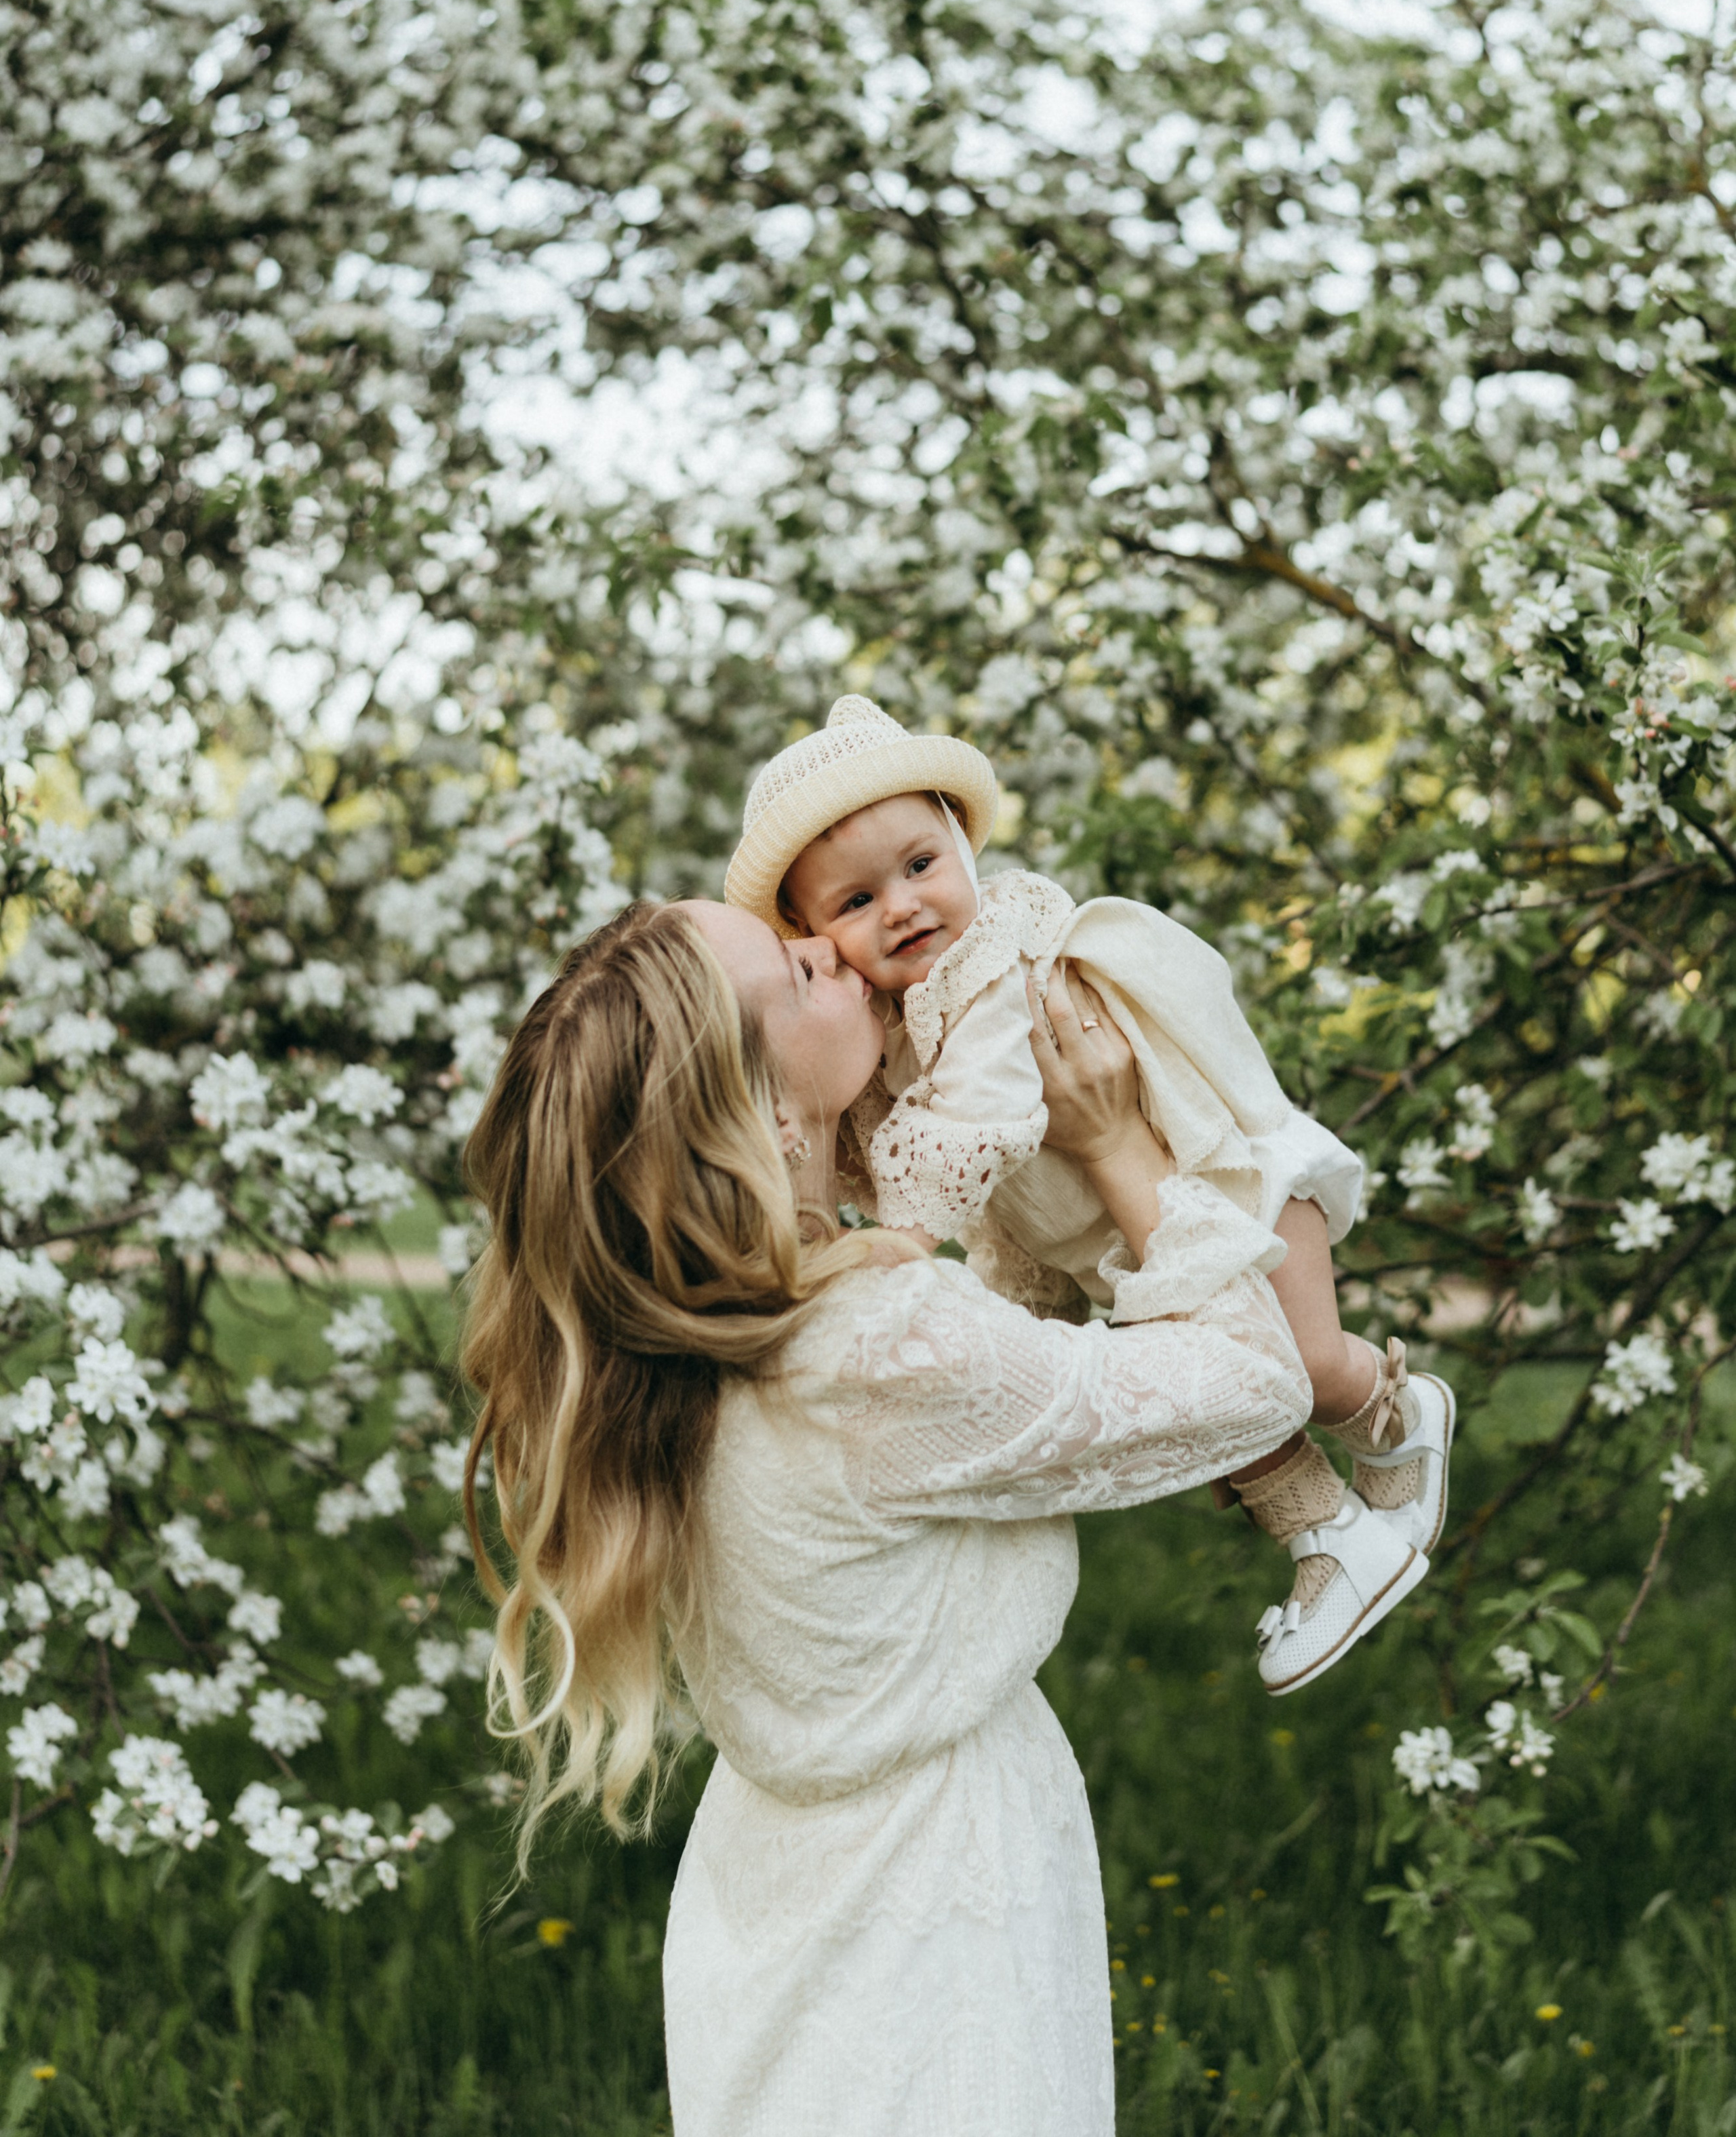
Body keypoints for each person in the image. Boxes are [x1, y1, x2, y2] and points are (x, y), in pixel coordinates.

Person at [460, 896, 1318, 2137]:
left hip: (766, 1899)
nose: (832, 948)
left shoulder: (660, 1347)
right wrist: (1121, 1145)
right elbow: (1257, 1380)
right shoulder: (875, 1349)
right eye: (793, 971)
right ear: (760, 1112)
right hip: (939, 1900)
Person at [722, 695, 1453, 1693]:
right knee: (1211, 1406)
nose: (899, 906)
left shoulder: (993, 969)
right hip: (1132, 1236)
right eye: (854, 904)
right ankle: (1329, 1540)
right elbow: (949, 1174)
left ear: (964, 849)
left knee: (1307, 1362)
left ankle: (1400, 1414)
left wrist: (903, 1236)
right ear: (808, 929)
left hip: (1224, 1185)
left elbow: (978, 1125)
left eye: (921, 865)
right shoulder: (889, 1021)